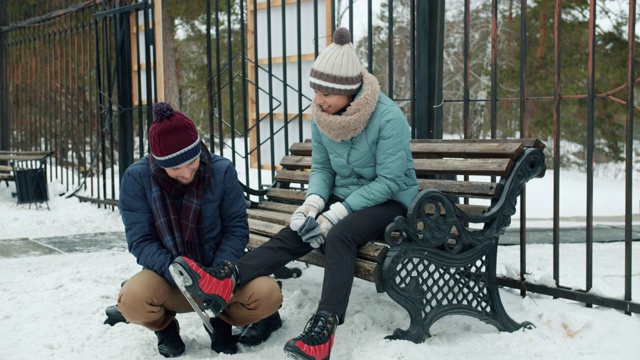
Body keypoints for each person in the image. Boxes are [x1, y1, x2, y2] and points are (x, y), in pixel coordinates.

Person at [169, 27, 419, 360]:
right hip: (345, 199)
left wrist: (337, 213)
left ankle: (323, 330)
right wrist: (313, 204)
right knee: (301, 230)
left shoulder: (388, 118)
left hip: (390, 201)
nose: (318, 99)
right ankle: (225, 280)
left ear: (349, 90)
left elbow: (389, 181)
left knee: (339, 234)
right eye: (316, 90)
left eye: (325, 93)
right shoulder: (324, 117)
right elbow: (323, 170)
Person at [116, 101, 283, 358]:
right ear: (160, 163)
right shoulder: (137, 179)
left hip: (219, 272)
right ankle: (166, 329)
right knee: (133, 301)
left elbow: (236, 229)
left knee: (268, 294)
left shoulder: (221, 171)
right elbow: (141, 241)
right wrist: (182, 274)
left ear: (199, 149)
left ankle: (222, 321)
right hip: (169, 274)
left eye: (191, 162)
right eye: (175, 168)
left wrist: (217, 275)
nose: (185, 173)